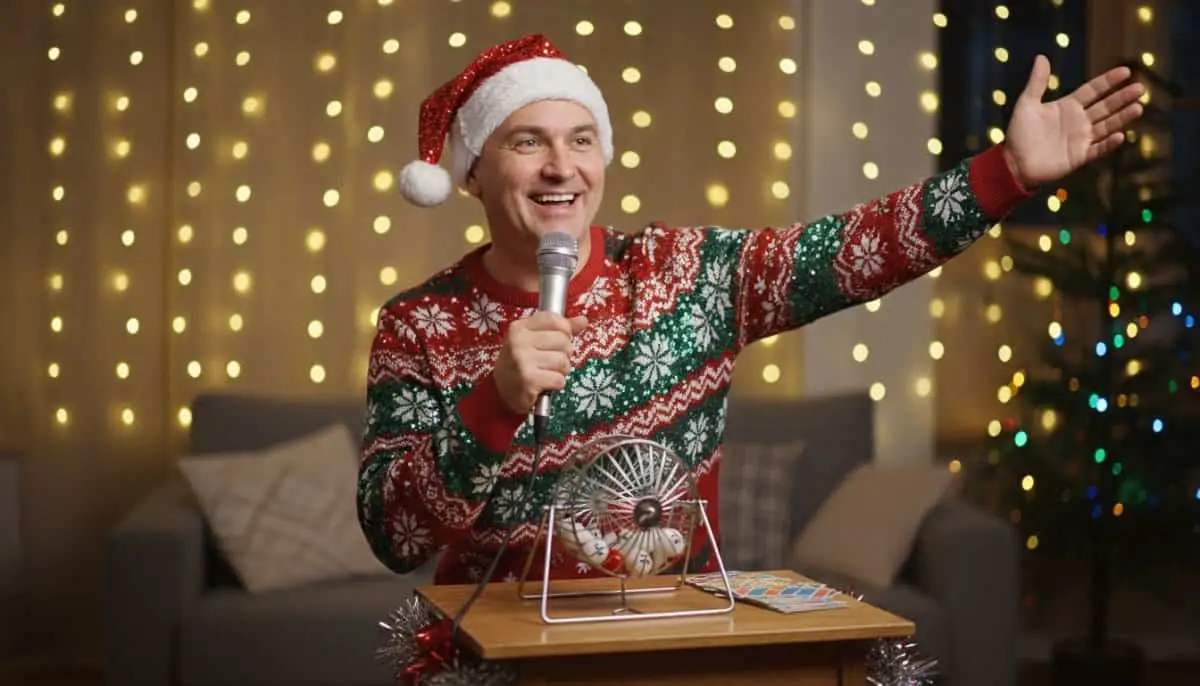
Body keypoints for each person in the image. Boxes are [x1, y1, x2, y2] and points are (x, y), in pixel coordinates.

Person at [357, 33, 1144, 586]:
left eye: (582, 139)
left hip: (674, 644)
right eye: (527, 142)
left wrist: (1007, 172)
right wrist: (492, 403)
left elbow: (855, 249)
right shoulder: (418, 326)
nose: (562, 166)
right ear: (472, 175)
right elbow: (394, 538)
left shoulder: (686, 275)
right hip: (494, 655)